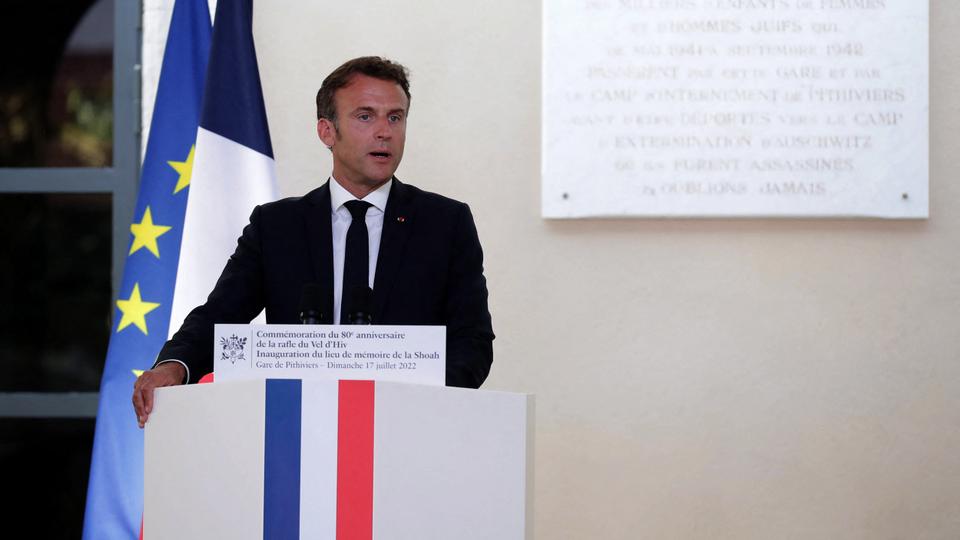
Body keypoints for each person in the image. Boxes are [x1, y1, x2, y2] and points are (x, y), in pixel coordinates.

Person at [132, 57, 494, 427]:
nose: (385, 131)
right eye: (366, 116)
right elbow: (219, 317)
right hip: (297, 431)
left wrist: (421, 401)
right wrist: (173, 366)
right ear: (326, 131)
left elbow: (474, 342)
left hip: (410, 431)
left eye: (395, 117)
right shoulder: (276, 226)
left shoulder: (445, 224)